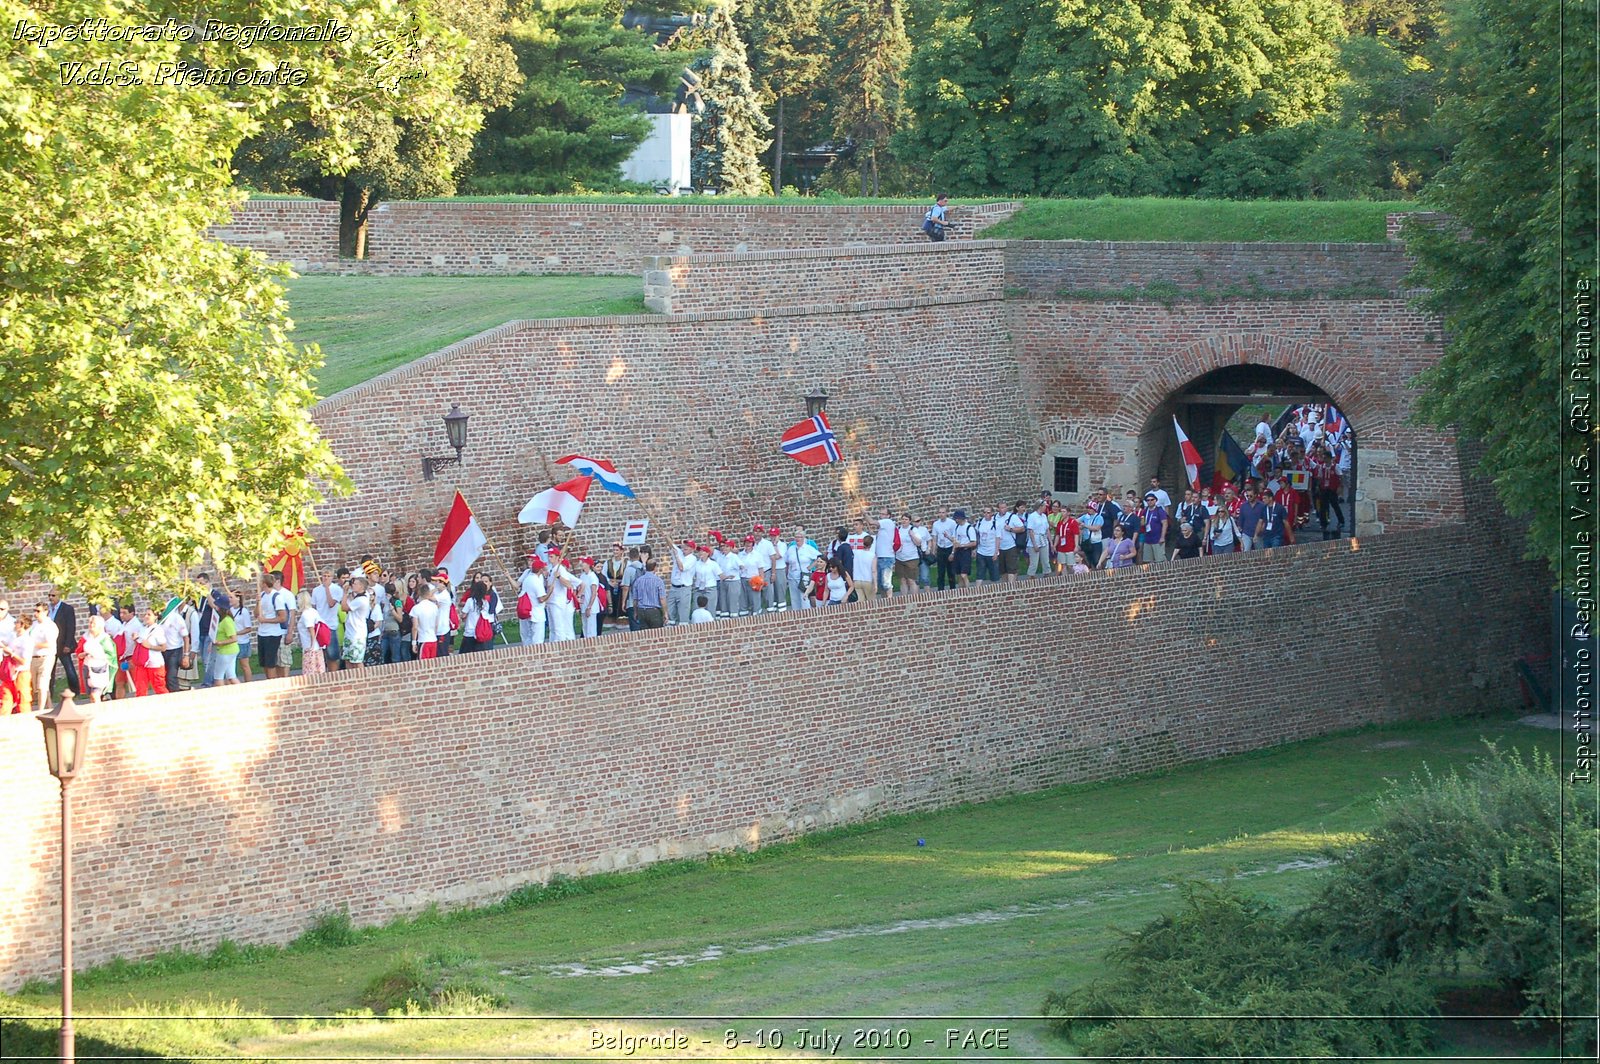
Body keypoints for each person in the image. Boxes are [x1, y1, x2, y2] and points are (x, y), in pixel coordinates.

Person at [257, 572, 295, 679]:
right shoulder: (262, 595)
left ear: (265, 583)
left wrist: (265, 620)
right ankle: (268, 680)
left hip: (273, 633)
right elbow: (256, 614)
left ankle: (273, 682)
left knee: (271, 662)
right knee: (264, 663)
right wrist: (257, 602)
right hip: (262, 633)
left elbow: (283, 617)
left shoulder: (277, 597)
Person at [128, 606, 169, 696]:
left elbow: (163, 647)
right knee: (140, 688)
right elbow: (140, 644)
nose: (146, 616)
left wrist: (149, 646)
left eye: (149, 615)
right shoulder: (142, 629)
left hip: (155, 663)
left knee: (159, 687)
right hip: (142, 662)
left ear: (155, 617)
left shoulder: (158, 630)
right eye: (145, 614)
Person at [47, 589, 79, 699]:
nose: (51, 597)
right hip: (51, 645)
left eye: (53, 595)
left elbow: (71, 627)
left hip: (63, 643)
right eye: (49, 595)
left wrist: (68, 644)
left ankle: (75, 690)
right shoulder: (48, 609)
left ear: (59, 596)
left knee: (69, 668)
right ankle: (49, 693)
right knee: (50, 670)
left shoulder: (67, 609)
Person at [310, 569, 343, 668]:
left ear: (332, 577)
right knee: (321, 654)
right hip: (319, 625)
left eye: (328, 576)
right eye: (324, 575)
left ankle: (333, 675)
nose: (326, 578)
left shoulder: (337, 589)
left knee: (332, 655)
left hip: (330, 625)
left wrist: (327, 589)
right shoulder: (316, 590)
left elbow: (331, 604)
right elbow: (314, 607)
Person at [30, 602, 58, 713]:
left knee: (42, 685)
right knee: (38, 686)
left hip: (46, 657)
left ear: (46, 612)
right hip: (34, 657)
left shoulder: (50, 626)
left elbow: (49, 643)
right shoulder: (34, 625)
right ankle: (50, 706)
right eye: (35, 611)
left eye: (38, 611)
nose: (36, 614)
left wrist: (33, 644)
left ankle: (40, 711)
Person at [546, 550, 578, 641]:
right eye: (549, 556)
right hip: (551, 601)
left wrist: (559, 577)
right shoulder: (551, 569)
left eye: (551, 556)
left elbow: (568, 584)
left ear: (557, 557)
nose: (549, 558)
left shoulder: (560, 569)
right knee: (552, 628)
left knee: (558, 627)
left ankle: (561, 646)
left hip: (558, 601)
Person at [210, 594, 241, 685]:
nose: (215, 607)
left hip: (226, 652)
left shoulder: (227, 621)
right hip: (229, 651)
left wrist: (220, 642)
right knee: (231, 676)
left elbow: (234, 638)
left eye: (217, 606)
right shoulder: (223, 619)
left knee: (218, 676)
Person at [518, 555, 548, 645]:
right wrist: (550, 592)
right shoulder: (536, 581)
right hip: (537, 612)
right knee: (537, 639)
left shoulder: (528, 578)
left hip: (530, 611)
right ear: (540, 569)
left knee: (529, 638)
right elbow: (541, 599)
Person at [295, 589, 325, 675]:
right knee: (319, 672)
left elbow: (311, 630)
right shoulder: (313, 611)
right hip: (317, 647)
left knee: (310, 673)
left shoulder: (306, 614)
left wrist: (311, 646)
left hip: (310, 647)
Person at [460, 577, 495, 650]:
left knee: (466, 655)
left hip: (470, 632)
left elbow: (464, 614)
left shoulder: (470, 601)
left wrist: (463, 618)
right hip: (481, 633)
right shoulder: (486, 603)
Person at [342, 576, 371, 664]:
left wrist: (345, 593)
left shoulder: (362, 599)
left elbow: (344, 607)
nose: (352, 585)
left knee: (357, 661)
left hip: (357, 634)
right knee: (348, 659)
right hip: (350, 632)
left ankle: (361, 677)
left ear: (361, 586)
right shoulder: (357, 597)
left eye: (355, 584)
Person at [631, 559, 667, 629]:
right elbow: (662, 599)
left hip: (641, 610)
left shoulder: (638, 581)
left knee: (645, 635)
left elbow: (635, 599)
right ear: (655, 568)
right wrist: (665, 613)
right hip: (654, 611)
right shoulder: (658, 581)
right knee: (657, 634)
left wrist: (635, 612)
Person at [669, 538, 697, 625]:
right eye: (684, 547)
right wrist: (666, 537)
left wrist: (677, 556)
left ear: (692, 549)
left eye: (687, 548)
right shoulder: (680, 553)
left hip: (684, 588)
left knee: (683, 613)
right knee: (670, 611)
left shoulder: (692, 558)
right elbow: (671, 545)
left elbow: (681, 568)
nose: (684, 549)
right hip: (674, 587)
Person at [410, 584, 441, 660]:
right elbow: (436, 625)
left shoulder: (416, 608)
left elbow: (415, 627)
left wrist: (414, 642)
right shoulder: (434, 607)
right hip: (433, 639)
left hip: (423, 639)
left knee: (423, 665)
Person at [892, 514, 920, 595]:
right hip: (900, 558)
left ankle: (913, 599)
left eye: (906, 519)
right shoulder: (898, 529)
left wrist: (912, 535)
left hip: (911, 558)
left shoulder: (913, 529)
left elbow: (918, 543)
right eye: (903, 519)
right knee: (902, 580)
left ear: (910, 521)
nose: (904, 521)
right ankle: (904, 599)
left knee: (911, 580)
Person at [230, 594, 254, 682]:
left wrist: (236, 633)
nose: (230, 599)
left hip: (242, 642)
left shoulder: (244, 611)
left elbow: (248, 628)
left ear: (238, 598)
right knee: (231, 666)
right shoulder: (230, 610)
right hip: (232, 642)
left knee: (244, 665)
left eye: (231, 597)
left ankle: (248, 683)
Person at [1140, 492, 1170, 564]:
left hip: (1157, 539)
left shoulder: (1160, 511)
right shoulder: (1145, 511)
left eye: (1152, 500)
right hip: (1148, 539)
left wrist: (1162, 537)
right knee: (1148, 560)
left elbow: (1165, 524)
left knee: (1160, 559)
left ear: (1155, 500)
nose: (1150, 501)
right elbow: (1142, 523)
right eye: (1148, 500)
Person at [974, 506, 1001, 583]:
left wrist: (996, 552)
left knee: (994, 575)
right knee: (980, 573)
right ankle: (977, 592)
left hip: (992, 552)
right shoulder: (980, 522)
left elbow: (998, 538)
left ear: (992, 513)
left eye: (988, 512)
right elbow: (977, 535)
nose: (986, 514)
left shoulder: (995, 523)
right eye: (984, 512)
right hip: (981, 551)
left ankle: (994, 592)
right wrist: (975, 548)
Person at [577, 558, 602, 638]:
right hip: (584, 605)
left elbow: (594, 593)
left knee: (591, 629)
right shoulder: (582, 576)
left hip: (591, 607)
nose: (582, 564)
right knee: (585, 629)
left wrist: (589, 607)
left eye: (584, 562)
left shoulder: (592, 577)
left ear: (588, 565)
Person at [1025, 501, 1051, 577]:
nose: (1045, 508)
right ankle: (1031, 576)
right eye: (1044, 506)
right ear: (1040, 506)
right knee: (1034, 562)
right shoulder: (1032, 516)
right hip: (1035, 539)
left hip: (1043, 539)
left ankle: (1047, 575)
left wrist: (1050, 543)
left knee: (1046, 561)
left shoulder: (1044, 516)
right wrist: (1034, 544)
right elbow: (1031, 531)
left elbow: (1047, 529)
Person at [950, 509, 975, 587]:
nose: (956, 520)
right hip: (958, 551)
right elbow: (955, 541)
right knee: (959, 575)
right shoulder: (957, 527)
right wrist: (952, 553)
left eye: (957, 518)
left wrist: (962, 545)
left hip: (965, 551)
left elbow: (974, 542)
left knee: (964, 574)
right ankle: (961, 593)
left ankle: (968, 591)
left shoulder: (969, 528)